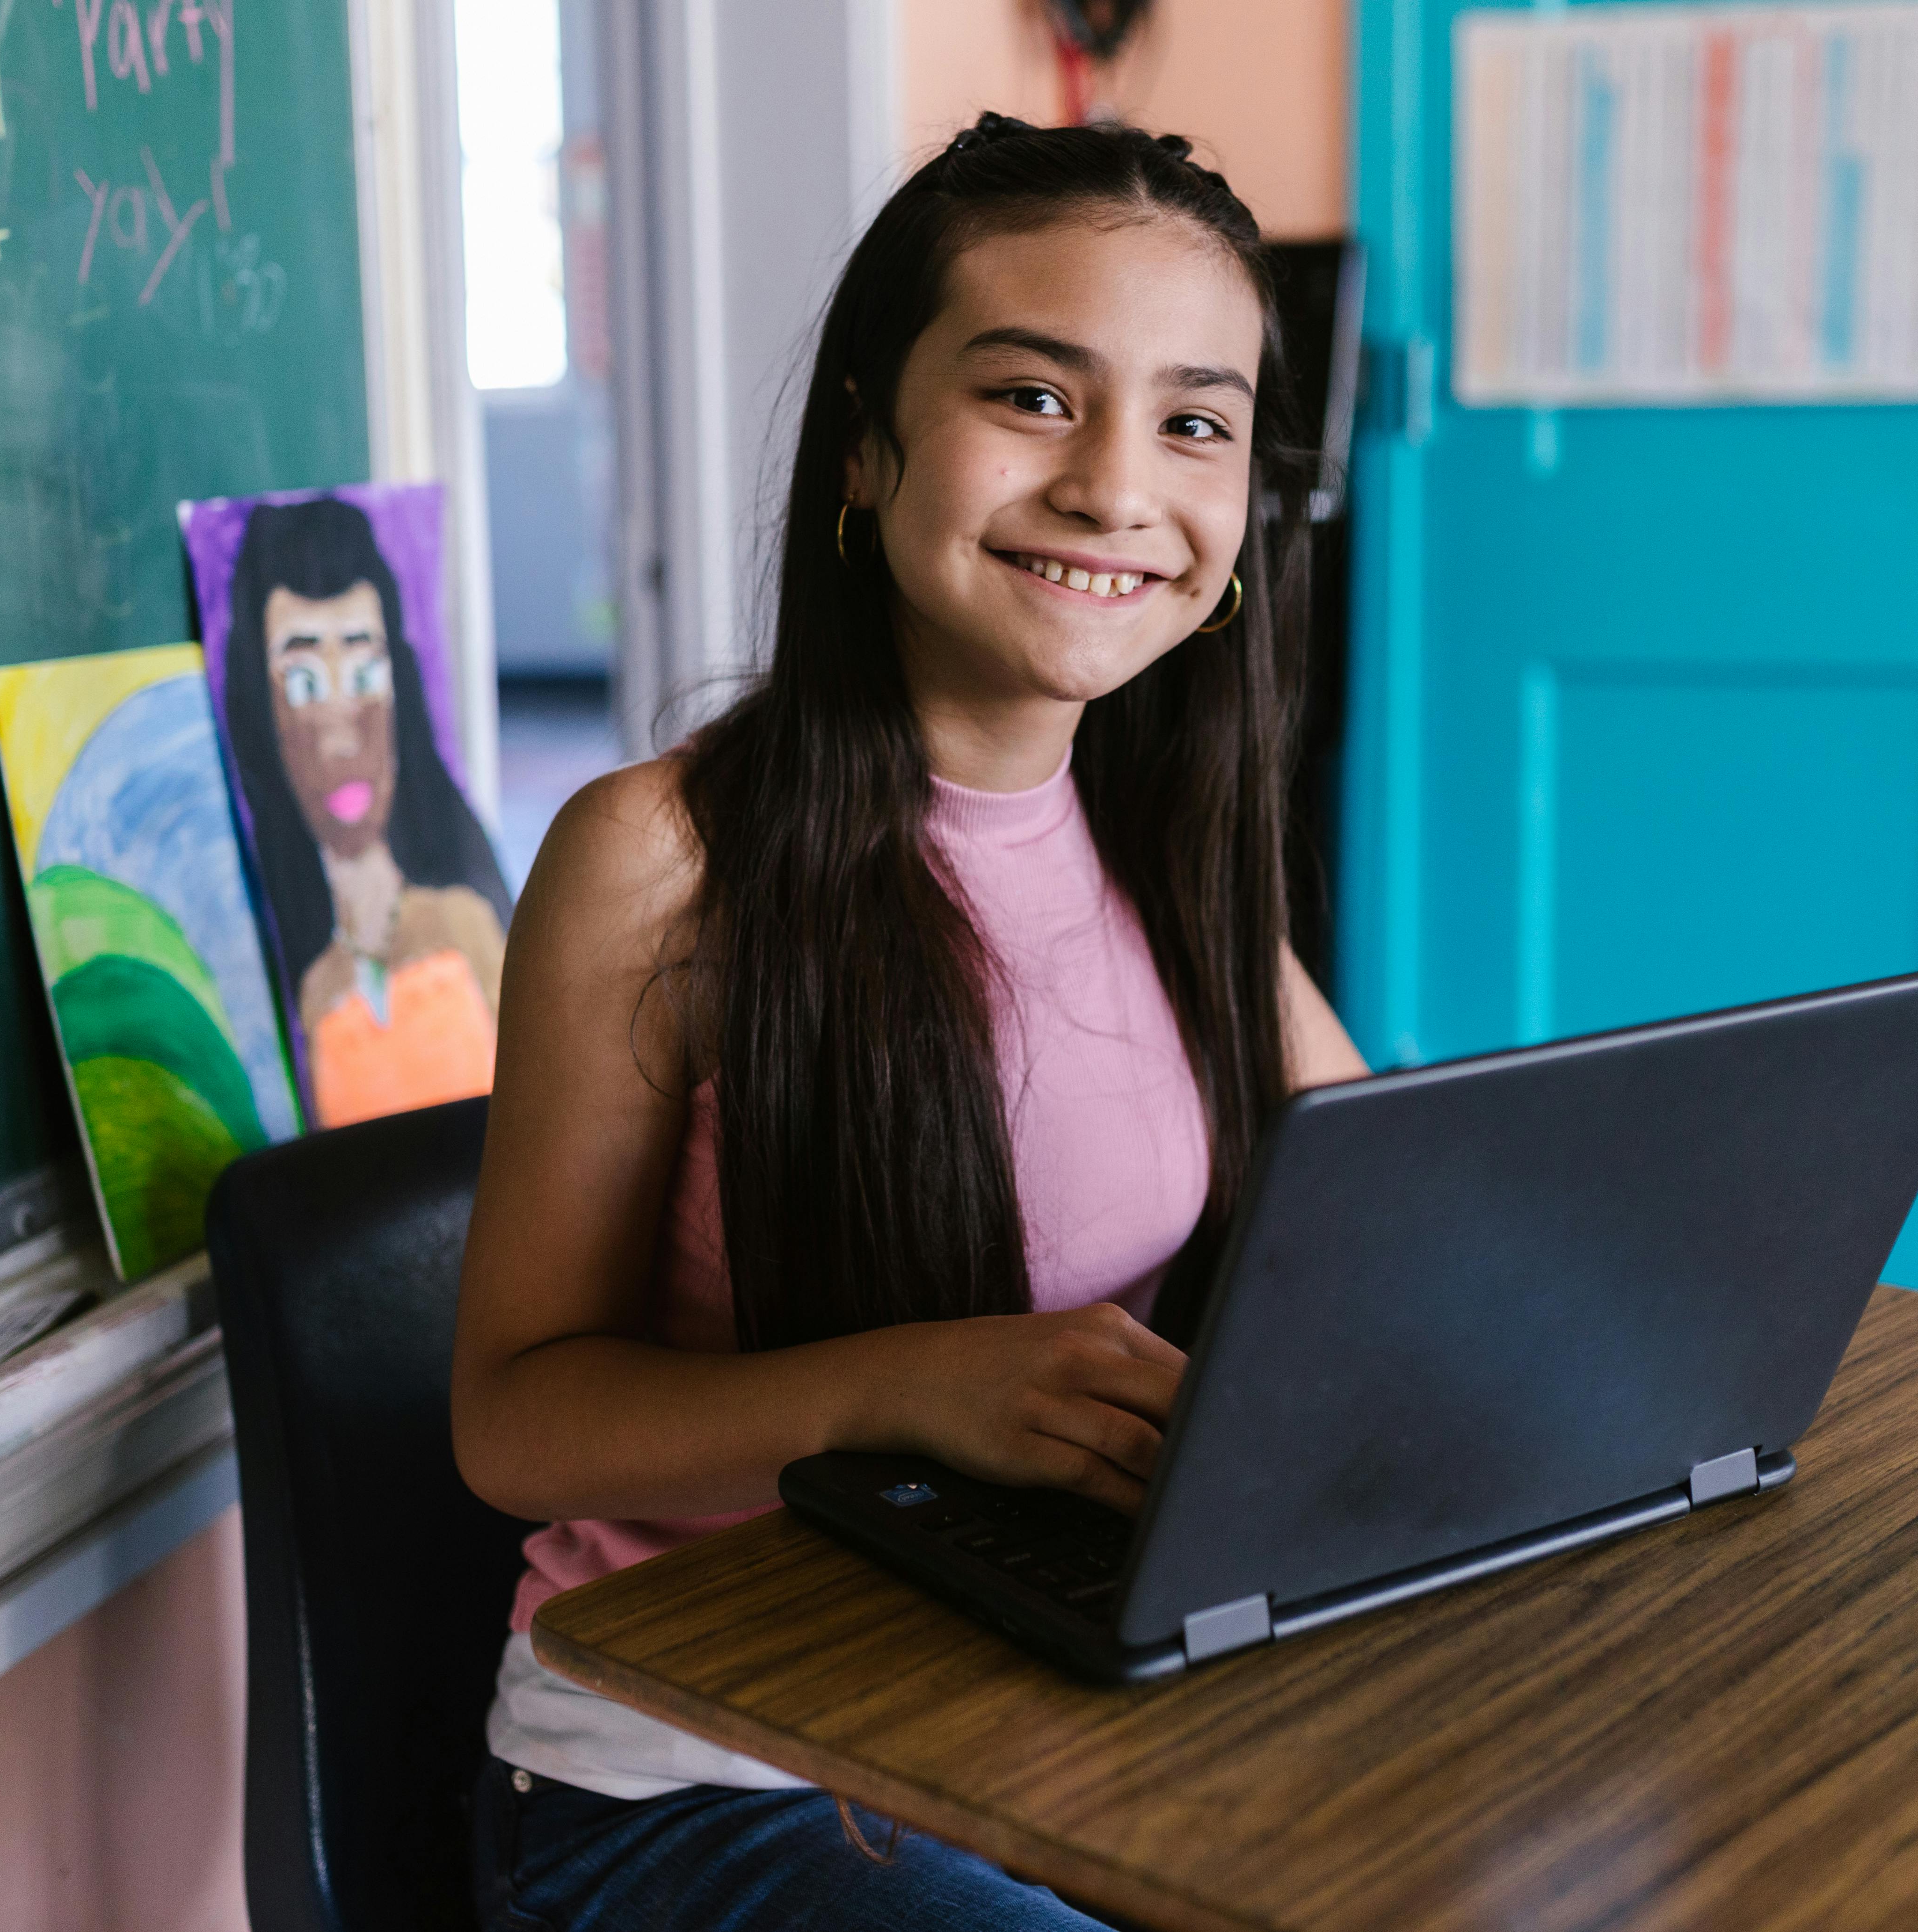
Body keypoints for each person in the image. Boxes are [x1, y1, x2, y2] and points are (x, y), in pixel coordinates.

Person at [451, 115, 1369, 1929]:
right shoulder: (660, 857)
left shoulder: (1170, 840)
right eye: (1033, 395)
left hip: (1033, 1709)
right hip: (690, 1780)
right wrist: (904, 1389)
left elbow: (1396, 1230)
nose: (1118, 486)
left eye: (1193, 422)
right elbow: (514, 1422)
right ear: (866, 447)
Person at [217, 495, 514, 1128]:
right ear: (259, 712)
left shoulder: (467, 928)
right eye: (301, 684)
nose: (340, 734)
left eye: (363, 674)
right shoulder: (295, 986)